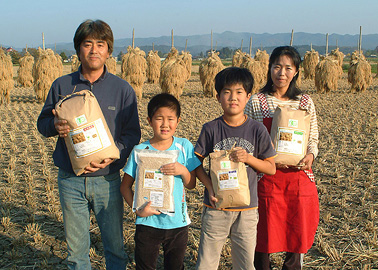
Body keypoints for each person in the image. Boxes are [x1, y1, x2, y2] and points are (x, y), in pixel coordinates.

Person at [37, 19, 141, 269]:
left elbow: (132, 133)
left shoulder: (122, 89)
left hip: (108, 180)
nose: (94, 50)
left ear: (108, 50)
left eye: (101, 44)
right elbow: (42, 123)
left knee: (115, 248)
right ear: (78, 49)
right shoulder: (61, 85)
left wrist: (115, 154)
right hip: (70, 180)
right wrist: (55, 127)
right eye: (87, 44)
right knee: (76, 252)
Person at [120, 93, 216, 270]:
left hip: (177, 224)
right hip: (147, 224)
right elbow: (125, 187)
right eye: (159, 118)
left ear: (178, 121)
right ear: (149, 120)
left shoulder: (184, 146)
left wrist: (183, 171)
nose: (165, 124)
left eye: (170, 119)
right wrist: (137, 210)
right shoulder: (140, 150)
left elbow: (191, 184)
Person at [244, 46, 320, 270]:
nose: (282, 73)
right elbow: (248, 136)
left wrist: (310, 155)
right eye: (277, 66)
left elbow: (312, 136)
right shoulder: (257, 101)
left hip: (298, 177)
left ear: (296, 71)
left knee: (298, 227)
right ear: (269, 69)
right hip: (266, 178)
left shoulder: (305, 102)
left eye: (288, 68)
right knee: (264, 230)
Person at [195, 67, 277, 270]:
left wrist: (248, 158)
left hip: (247, 210)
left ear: (248, 96)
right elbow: (195, 164)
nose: (233, 97)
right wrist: (209, 187)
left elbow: (271, 168)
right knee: (206, 263)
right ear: (217, 97)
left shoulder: (257, 130)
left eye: (239, 92)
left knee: (245, 264)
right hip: (215, 207)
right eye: (227, 92)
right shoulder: (210, 129)